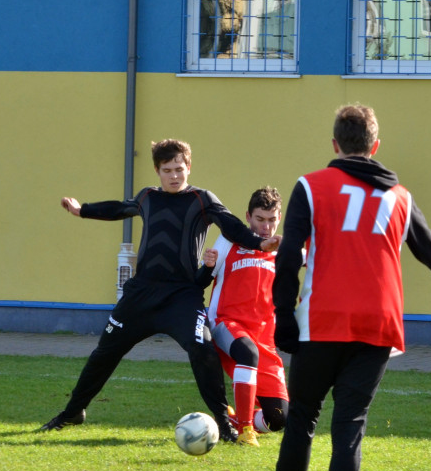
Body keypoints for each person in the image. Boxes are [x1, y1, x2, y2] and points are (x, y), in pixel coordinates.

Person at [257, 104, 431, 471]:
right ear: (375, 146)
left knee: (302, 419)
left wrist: (283, 316)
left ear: (335, 144)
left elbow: (288, 257)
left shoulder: (311, 186)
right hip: (378, 326)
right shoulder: (400, 196)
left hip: (322, 321)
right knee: (349, 428)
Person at [39, 139, 280, 441]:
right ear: (157, 171)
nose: (174, 176)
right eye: (167, 170)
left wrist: (259, 243)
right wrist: (82, 210)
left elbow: (231, 225)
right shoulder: (147, 197)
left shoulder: (202, 199)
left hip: (182, 296)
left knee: (203, 349)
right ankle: (73, 412)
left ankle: (224, 423)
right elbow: (119, 208)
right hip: (140, 295)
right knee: (105, 352)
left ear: (188, 167)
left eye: (179, 169)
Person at [198, 186, 290, 448]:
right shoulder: (229, 240)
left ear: (279, 218)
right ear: (248, 216)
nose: (266, 227)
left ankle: (232, 420)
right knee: (247, 353)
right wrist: (207, 266)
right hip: (227, 325)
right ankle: (245, 430)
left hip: (264, 339)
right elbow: (201, 281)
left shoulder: (283, 248)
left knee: (280, 417)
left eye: (271, 220)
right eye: (260, 219)